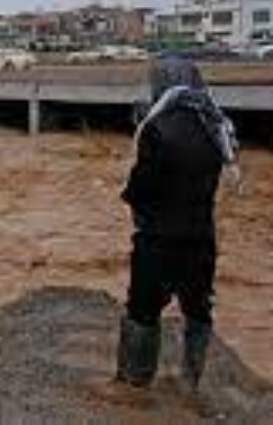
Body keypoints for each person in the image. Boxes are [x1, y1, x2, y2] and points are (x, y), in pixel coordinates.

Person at [116, 55, 240, 392]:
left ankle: (134, 384)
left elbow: (141, 190)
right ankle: (190, 380)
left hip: (158, 240)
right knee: (197, 309)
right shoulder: (216, 126)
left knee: (143, 310)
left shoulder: (155, 128)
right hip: (201, 239)